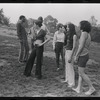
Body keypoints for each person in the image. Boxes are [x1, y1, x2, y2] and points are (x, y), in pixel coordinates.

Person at [72, 20, 96, 95]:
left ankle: (91, 88)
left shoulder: (83, 33)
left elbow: (81, 46)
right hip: (85, 54)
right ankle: (79, 88)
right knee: (80, 73)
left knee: (82, 73)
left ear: (83, 26)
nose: (78, 26)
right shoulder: (88, 34)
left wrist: (76, 55)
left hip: (83, 55)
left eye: (79, 25)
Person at [62, 23, 78, 88]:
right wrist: (65, 48)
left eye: (68, 27)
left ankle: (72, 83)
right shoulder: (68, 35)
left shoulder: (74, 36)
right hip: (67, 51)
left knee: (70, 67)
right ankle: (67, 79)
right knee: (67, 66)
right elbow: (67, 44)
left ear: (71, 28)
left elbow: (74, 47)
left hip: (71, 52)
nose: (67, 28)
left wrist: (71, 56)